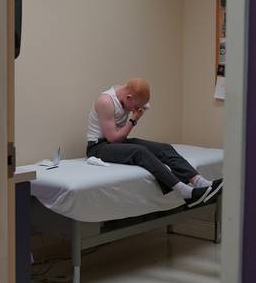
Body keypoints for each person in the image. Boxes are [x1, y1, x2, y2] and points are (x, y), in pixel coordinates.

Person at [86, 78, 223, 208]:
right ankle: (186, 193)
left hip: (117, 141)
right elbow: (113, 139)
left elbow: (140, 102)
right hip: (99, 147)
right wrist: (133, 120)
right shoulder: (105, 102)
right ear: (128, 97)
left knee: (164, 148)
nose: (136, 109)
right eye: (135, 106)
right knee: (140, 152)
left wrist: (138, 106)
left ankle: (201, 182)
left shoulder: (127, 94)